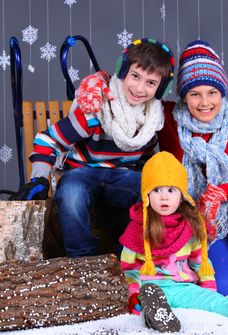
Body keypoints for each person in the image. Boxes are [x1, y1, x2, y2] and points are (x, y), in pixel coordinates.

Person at [11, 38, 175, 258]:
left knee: (151, 192)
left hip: (123, 176)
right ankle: (83, 259)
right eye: (135, 76)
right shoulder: (97, 108)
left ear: (161, 88)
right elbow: (48, 140)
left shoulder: (151, 120)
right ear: (123, 70)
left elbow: (146, 158)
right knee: (70, 194)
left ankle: (129, 257)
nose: (139, 88)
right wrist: (39, 179)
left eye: (151, 83)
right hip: (83, 171)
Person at [119, 151, 228, 333]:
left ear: (182, 195)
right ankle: (155, 317)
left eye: (171, 190)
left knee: (213, 301)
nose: (164, 197)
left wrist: (208, 291)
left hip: (183, 287)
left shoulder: (189, 225)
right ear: (146, 195)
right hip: (150, 288)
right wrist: (133, 296)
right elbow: (129, 270)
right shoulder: (138, 228)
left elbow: (201, 263)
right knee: (146, 303)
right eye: (156, 190)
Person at [157, 40, 228, 295]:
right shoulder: (167, 117)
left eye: (212, 92)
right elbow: (136, 91)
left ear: (222, 92)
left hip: (210, 225)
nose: (204, 102)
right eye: (194, 93)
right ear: (183, 95)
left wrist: (220, 193)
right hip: (171, 220)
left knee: (224, 287)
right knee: (169, 282)